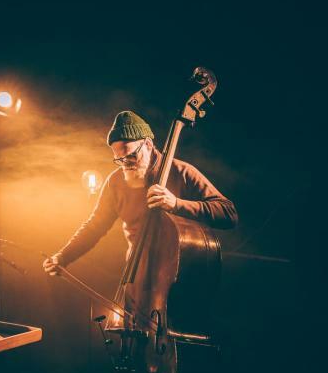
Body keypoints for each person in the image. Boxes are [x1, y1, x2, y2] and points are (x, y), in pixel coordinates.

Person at [43, 110, 238, 290]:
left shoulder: (181, 172)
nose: (125, 164)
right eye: (119, 159)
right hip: (136, 279)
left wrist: (177, 204)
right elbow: (95, 226)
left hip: (180, 281)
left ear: (148, 144)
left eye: (130, 156)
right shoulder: (115, 182)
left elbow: (228, 213)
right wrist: (63, 256)